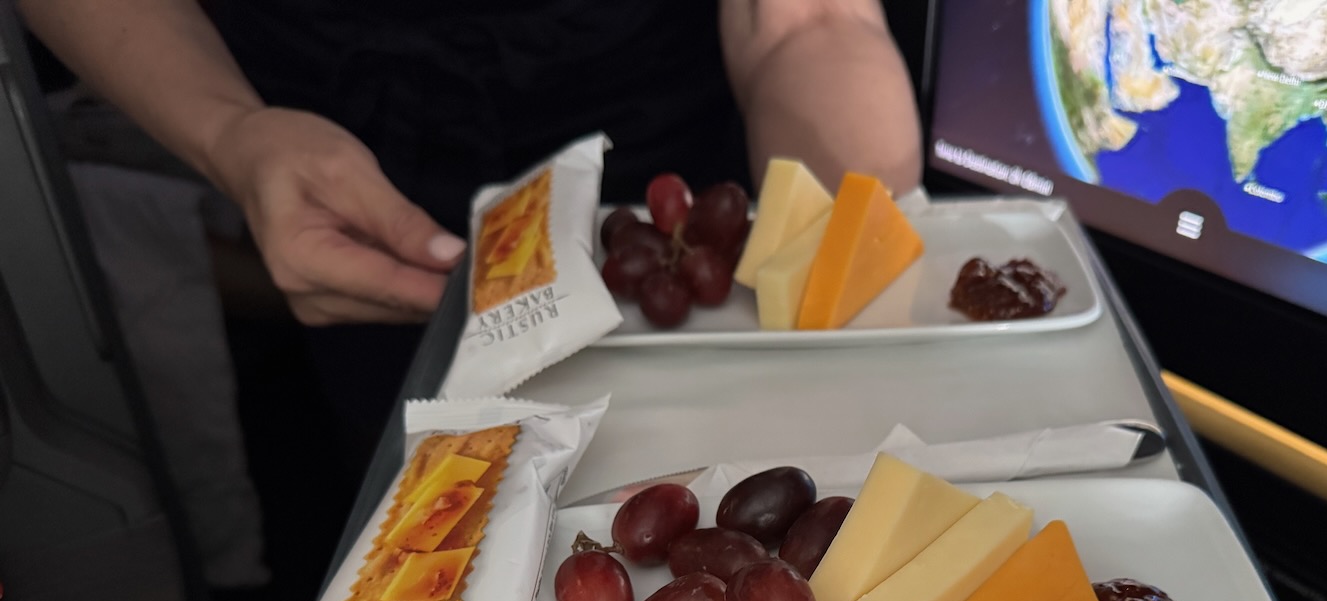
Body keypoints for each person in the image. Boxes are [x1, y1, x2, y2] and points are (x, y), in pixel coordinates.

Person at [16, 0, 923, 329]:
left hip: (666, 204)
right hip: (351, 173)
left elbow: (807, 18)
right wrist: (229, 134)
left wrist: (864, 260)